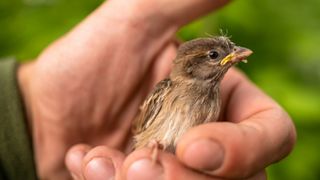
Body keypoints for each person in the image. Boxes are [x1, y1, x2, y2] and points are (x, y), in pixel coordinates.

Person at [0, 0, 296, 179]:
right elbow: (142, 130)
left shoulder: (215, 96)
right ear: (191, 68)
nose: (227, 57)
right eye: (214, 56)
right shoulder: (168, 89)